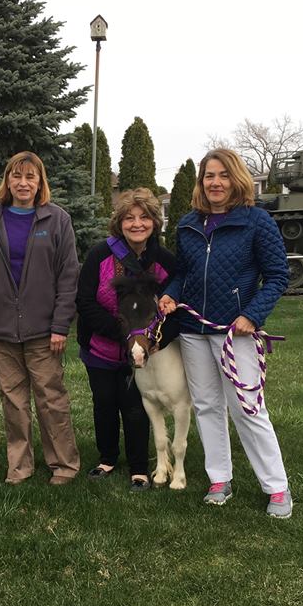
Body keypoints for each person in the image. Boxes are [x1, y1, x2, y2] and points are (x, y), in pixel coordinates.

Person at [158, 148, 292, 517]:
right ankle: (219, 479)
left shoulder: (256, 221)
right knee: (206, 406)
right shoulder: (188, 224)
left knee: (248, 409)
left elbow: (278, 276)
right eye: (209, 176)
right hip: (193, 331)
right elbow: (183, 273)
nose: (215, 182)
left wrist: (252, 315)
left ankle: (277, 487)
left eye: (223, 175)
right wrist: (171, 293)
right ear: (201, 182)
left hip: (236, 333)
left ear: (236, 178)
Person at [0, 151, 80, 485]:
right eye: (16, 176)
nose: (23, 183)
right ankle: (19, 466)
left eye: (30, 177)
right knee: (13, 401)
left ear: (40, 182)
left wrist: (60, 325)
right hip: (1, 329)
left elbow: (68, 277)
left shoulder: (57, 220)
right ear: (7, 180)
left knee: (51, 399)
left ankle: (64, 464)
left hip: (44, 330)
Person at [76, 188, 178, 491]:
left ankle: (138, 467)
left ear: (154, 222)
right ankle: (107, 458)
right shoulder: (100, 255)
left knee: (136, 407)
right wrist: (122, 333)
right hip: (101, 346)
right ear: (119, 223)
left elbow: (176, 304)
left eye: (144, 217)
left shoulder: (164, 261)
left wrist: (156, 339)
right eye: (129, 218)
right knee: (104, 403)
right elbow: (85, 301)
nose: (137, 224)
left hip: (145, 352)